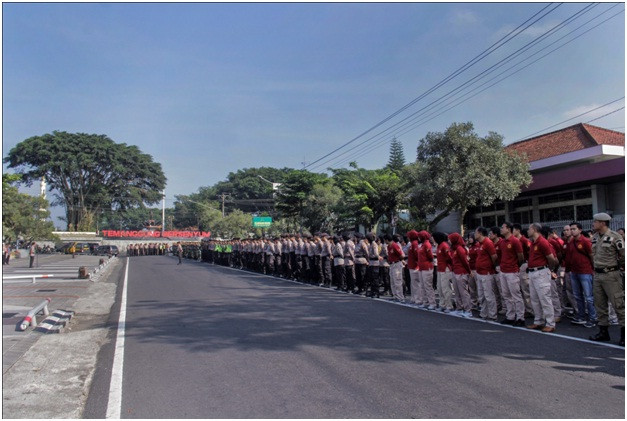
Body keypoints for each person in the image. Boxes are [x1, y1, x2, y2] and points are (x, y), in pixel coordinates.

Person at [588, 213, 625, 346]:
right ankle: (603, 332)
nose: (593, 224)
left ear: (603, 223)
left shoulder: (615, 236)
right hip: (597, 275)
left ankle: (624, 334)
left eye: (596, 221)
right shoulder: (595, 238)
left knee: (618, 304)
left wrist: (619, 268)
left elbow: (623, 255)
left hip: (611, 274)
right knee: (600, 305)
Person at [525, 223, 559, 332]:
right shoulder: (533, 243)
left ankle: (550, 323)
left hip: (541, 272)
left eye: (529, 229)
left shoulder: (542, 242)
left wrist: (550, 269)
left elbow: (551, 258)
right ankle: (538, 321)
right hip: (533, 272)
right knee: (534, 299)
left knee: (545, 298)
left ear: (535, 229)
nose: (527, 231)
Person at [567, 222, 597, 328]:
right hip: (574, 272)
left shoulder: (585, 241)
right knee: (578, 296)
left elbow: (591, 255)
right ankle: (581, 316)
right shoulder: (571, 242)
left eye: (574, 229)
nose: (572, 231)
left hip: (585, 272)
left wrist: (593, 269)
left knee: (588, 297)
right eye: (571, 229)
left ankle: (593, 318)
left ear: (580, 230)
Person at [498, 222, 525, 326]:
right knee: (506, 295)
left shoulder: (515, 241)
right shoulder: (502, 242)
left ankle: (520, 317)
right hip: (503, 271)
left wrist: (515, 266)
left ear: (508, 229)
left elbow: (521, 257)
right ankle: (510, 316)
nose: (501, 229)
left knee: (516, 295)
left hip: (512, 271)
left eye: (502, 227)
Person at [474, 227, 499, 321]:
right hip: (480, 272)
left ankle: (492, 314)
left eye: (476, 233)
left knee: (489, 294)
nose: (474, 235)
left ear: (480, 233)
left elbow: (494, 256)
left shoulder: (488, 243)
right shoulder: (479, 244)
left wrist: (490, 266)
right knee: (481, 295)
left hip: (486, 272)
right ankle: (483, 313)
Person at [448, 233, 473, 318]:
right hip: (456, 272)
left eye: (450, 239)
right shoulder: (454, 249)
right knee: (457, 292)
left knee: (463, 292)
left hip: (461, 272)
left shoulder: (460, 249)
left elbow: (465, 261)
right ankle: (459, 308)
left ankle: (468, 310)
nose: (449, 241)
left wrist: (469, 271)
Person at [433, 232, 453, 313]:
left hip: (445, 269)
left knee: (446, 288)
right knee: (440, 288)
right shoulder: (439, 245)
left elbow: (449, 258)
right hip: (440, 268)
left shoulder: (444, 245)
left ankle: (449, 305)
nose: (432, 239)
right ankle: (442, 304)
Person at [385, 234, 405, 303]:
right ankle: (395, 295)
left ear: (387, 240)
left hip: (397, 264)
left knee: (397, 281)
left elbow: (401, 255)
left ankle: (400, 297)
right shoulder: (388, 246)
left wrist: (400, 261)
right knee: (392, 281)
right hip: (391, 264)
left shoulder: (394, 245)